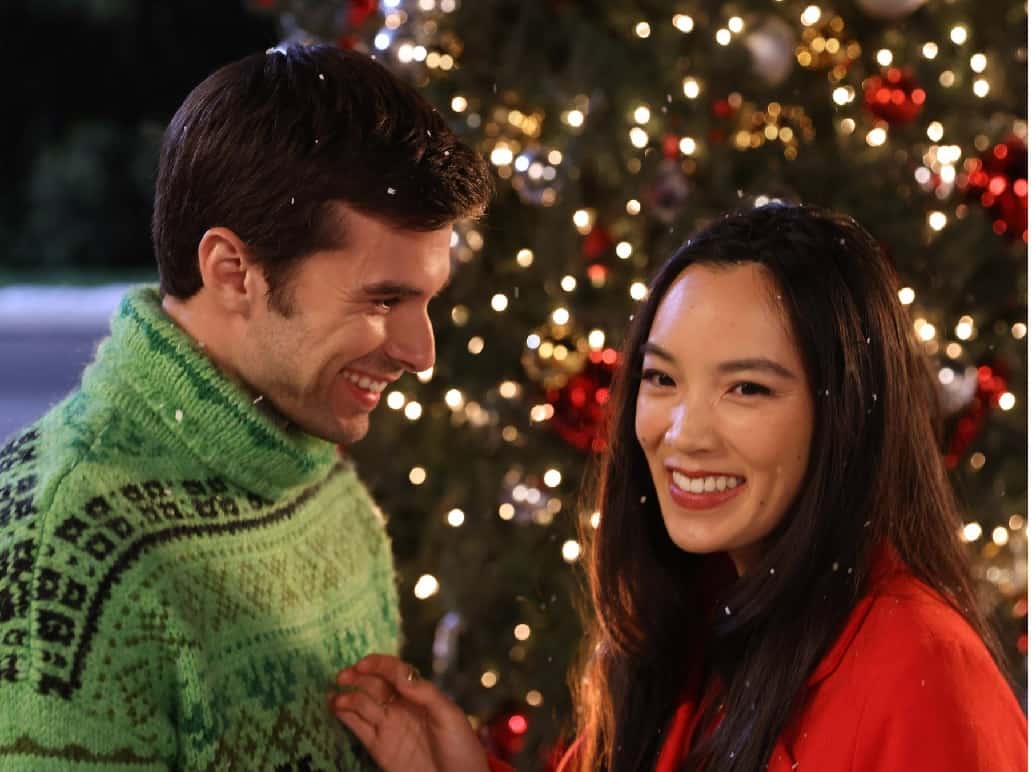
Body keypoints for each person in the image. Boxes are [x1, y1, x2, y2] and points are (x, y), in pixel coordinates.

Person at [330, 204, 1027, 771]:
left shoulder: (921, 670)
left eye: (747, 388)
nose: (684, 433)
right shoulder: (697, 622)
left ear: (842, 417)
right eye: (661, 379)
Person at [0, 43, 491, 769]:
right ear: (233, 272)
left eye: (427, 300)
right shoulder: (62, 557)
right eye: (385, 299)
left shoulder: (321, 484)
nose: (422, 352)